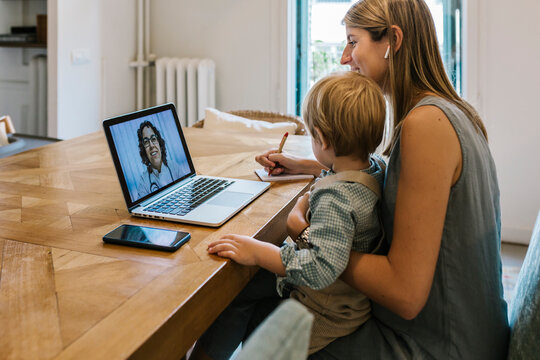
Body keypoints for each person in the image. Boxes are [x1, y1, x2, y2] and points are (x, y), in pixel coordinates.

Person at [253, 0, 509, 358]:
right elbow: (394, 182)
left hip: (438, 347)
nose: (345, 57)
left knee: (259, 305)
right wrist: (309, 166)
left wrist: (306, 234)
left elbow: (404, 295)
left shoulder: (425, 127)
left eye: (353, 41)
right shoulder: (447, 111)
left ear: (393, 40)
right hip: (465, 333)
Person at [192, 71, 386, 358]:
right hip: (342, 299)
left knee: (243, 280)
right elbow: (344, 174)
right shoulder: (374, 168)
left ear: (321, 138)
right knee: (244, 289)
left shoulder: (336, 198)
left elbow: (320, 269)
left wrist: (259, 251)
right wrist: (302, 166)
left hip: (325, 312)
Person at [135, 120, 183, 198]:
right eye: (146, 142)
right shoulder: (144, 181)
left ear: (159, 143)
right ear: (144, 150)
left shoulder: (174, 167)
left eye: (153, 139)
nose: (151, 145)